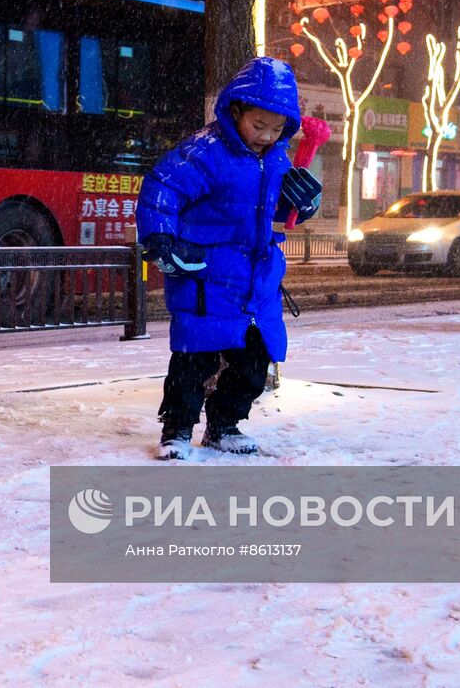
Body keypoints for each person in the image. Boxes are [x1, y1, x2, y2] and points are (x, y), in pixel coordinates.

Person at [137, 57, 323, 460]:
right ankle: (177, 430)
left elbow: (275, 210)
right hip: (207, 273)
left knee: (255, 360)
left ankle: (225, 425)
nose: (266, 137)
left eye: (277, 130)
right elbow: (162, 189)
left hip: (257, 279)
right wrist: (162, 239)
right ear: (236, 109)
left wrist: (301, 205)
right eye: (259, 126)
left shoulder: (276, 158)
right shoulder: (204, 153)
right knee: (194, 357)